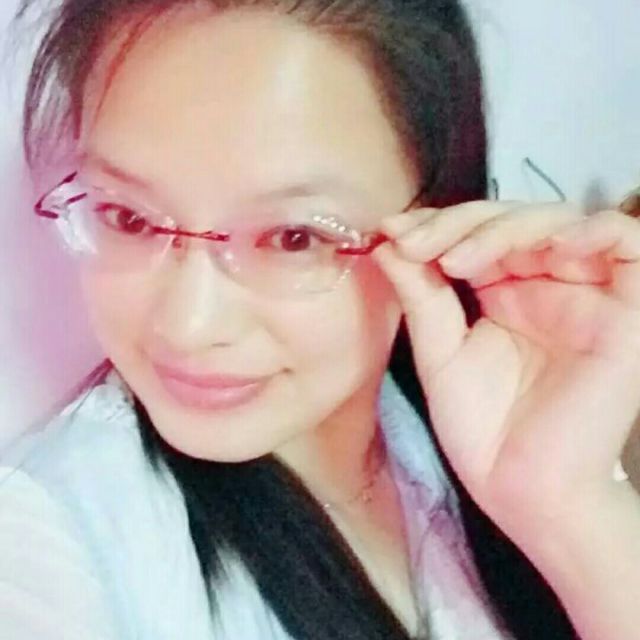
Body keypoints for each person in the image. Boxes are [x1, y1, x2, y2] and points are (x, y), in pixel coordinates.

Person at [1, 1, 639, 638]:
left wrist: (568, 507)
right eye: (128, 218)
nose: (189, 326)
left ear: (438, 214)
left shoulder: (469, 401)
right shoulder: (48, 542)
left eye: (293, 237)